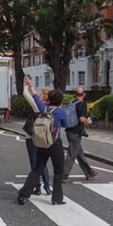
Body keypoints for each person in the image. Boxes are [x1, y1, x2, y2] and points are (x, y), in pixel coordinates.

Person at [16, 76, 69, 206]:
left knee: (37, 169)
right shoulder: (61, 112)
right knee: (58, 171)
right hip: (55, 143)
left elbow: (35, 97)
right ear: (60, 100)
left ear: (49, 99)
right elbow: (66, 125)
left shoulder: (43, 108)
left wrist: (30, 85)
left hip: (42, 143)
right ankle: (57, 198)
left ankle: (24, 194)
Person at [61, 87, 97, 183]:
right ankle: (64, 175)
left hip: (69, 130)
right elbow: (81, 119)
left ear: (75, 95)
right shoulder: (82, 104)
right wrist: (88, 121)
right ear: (84, 94)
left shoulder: (72, 103)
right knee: (72, 154)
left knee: (79, 153)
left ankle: (89, 173)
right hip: (75, 132)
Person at [22, 81, 51, 195]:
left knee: (34, 164)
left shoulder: (37, 106)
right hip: (44, 139)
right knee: (42, 163)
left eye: (41, 95)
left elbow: (25, 94)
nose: (38, 96)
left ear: (44, 99)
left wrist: (28, 86)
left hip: (32, 137)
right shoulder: (49, 108)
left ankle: (37, 187)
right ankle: (47, 186)